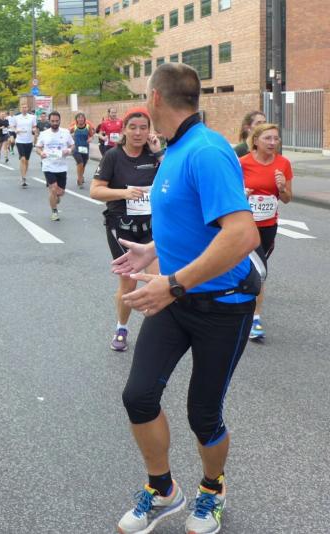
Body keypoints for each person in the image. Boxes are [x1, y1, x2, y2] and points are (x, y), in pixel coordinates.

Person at [112, 64, 261, 534]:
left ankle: (212, 490)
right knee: (138, 396)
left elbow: (243, 234)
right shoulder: (175, 149)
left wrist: (173, 283)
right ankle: (162, 490)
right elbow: (195, 219)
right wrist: (153, 251)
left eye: (145, 96)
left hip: (222, 306)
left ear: (156, 97)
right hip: (176, 300)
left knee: (203, 413)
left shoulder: (206, 150)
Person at [90, 107, 163, 351]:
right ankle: (122, 327)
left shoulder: (153, 155)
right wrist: (124, 193)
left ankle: (155, 334)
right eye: (133, 127)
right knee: (129, 283)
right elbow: (95, 190)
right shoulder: (113, 156)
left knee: (156, 280)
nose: (138, 133)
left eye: (143, 128)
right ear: (123, 130)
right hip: (121, 227)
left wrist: (159, 153)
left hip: (151, 226)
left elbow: (175, 178)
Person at [240, 123, 293, 341]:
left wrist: (282, 188)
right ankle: (254, 318)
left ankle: (243, 306)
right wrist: (242, 195)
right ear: (255, 141)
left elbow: (287, 198)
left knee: (254, 271)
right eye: (267, 138)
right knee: (259, 271)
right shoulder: (243, 163)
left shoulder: (283, 163)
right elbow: (230, 193)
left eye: (276, 139)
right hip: (246, 226)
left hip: (269, 227)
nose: (272, 143)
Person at [35, 111, 74, 221]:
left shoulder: (65, 132)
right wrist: (41, 153)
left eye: (57, 121)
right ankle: (54, 212)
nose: (55, 123)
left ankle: (56, 197)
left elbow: (72, 145)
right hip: (48, 166)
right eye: (52, 121)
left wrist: (69, 150)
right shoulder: (44, 134)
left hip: (61, 166)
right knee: (53, 189)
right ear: (49, 121)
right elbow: (38, 147)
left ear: (60, 121)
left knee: (60, 192)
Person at [14, 103, 37, 188]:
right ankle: (23, 178)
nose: (24, 109)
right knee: (23, 159)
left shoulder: (32, 117)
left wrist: (34, 130)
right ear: (20, 109)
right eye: (23, 107)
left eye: (25, 107)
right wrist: (16, 130)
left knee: (26, 160)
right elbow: (13, 127)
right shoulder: (16, 117)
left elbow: (34, 126)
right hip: (20, 141)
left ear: (27, 108)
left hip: (29, 141)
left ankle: (23, 175)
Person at [70, 112, 95, 189]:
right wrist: (71, 139)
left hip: (85, 148)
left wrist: (90, 139)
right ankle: (80, 180)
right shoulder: (74, 127)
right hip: (76, 148)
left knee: (83, 165)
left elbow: (92, 135)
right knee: (80, 163)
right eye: (79, 118)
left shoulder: (87, 127)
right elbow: (67, 134)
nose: (80, 119)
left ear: (84, 119)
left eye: (82, 118)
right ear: (76, 119)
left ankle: (81, 176)